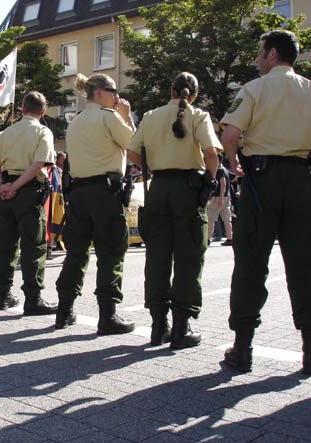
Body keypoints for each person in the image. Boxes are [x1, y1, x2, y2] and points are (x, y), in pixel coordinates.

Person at [220, 30, 311, 374]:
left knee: (251, 263)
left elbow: (230, 136)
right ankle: (309, 349)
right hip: (302, 179)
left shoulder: (255, 89)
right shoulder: (309, 89)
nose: (257, 58)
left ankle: (242, 349)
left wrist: (234, 163)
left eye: (260, 52)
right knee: (304, 264)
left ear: (272, 54)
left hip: (262, 182)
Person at [128, 72, 220, 349]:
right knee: (188, 258)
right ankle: (181, 327)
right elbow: (212, 154)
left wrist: (154, 168)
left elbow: (132, 152)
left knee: (157, 257)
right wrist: (210, 180)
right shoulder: (198, 116)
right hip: (188, 190)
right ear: (194, 94)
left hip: (158, 190)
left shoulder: (151, 115)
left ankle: (159, 326)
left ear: (171, 89)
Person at [54, 73, 136, 335]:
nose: (117, 96)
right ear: (100, 92)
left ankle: (64, 310)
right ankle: (108, 315)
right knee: (111, 251)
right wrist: (126, 115)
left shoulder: (75, 122)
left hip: (79, 194)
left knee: (76, 252)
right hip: (105, 192)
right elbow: (133, 145)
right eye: (113, 91)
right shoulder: (109, 117)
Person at [0, 91, 58, 315]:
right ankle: (33, 299)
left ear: (22, 108)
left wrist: (2, 186)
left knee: (6, 246)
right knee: (33, 247)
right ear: (43, 111)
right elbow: (39, 164)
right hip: (28, 191)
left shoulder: (5, 133)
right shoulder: (42, 131)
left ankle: (3, 295)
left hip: (7, 192)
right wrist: (16, 186)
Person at [207, 155, 233, 246]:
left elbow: (223, 184)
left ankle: (207, 238)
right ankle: (230, 238)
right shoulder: (225, 169)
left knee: (210, 219)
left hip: (219, 197)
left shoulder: (220, 170)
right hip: (226, 197)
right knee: (227, 219)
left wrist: (220, 197)